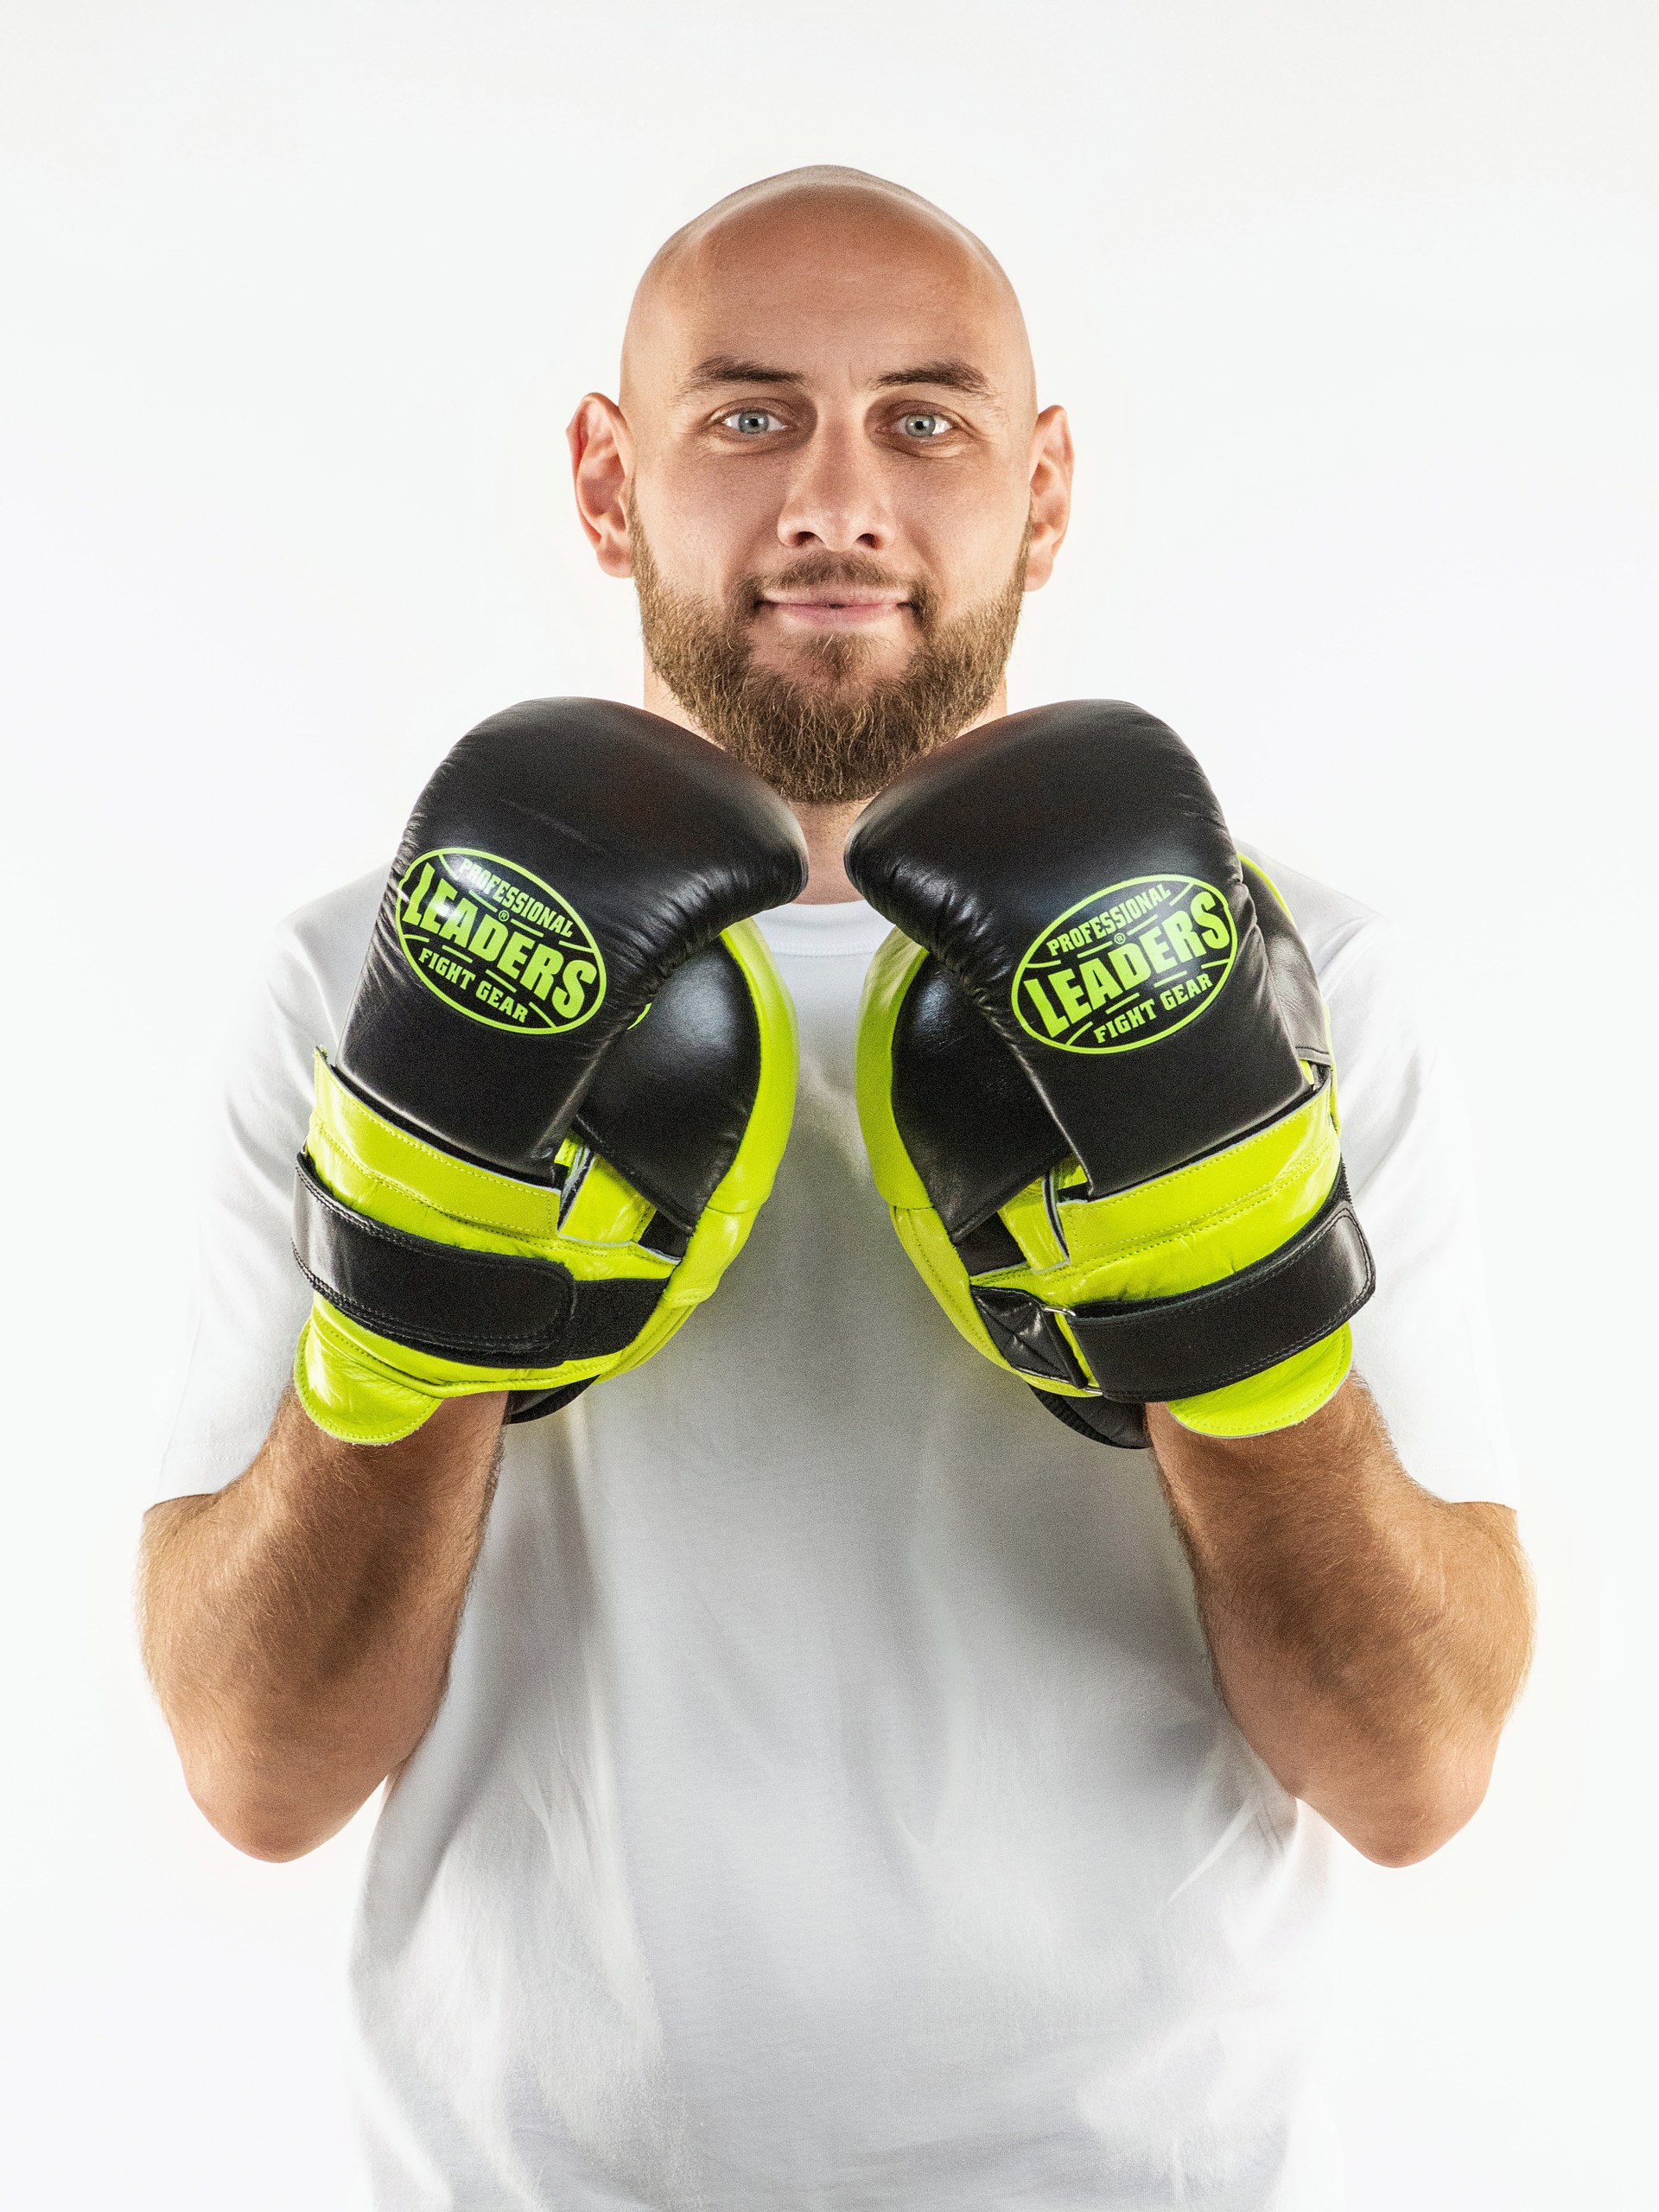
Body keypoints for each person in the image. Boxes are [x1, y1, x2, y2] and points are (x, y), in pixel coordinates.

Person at [139, 168, 1534, 2209]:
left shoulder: (1290, 978)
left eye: (926, 420)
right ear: (609, 479)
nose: (836, 502)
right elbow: (259, 1769)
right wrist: (419, 1294)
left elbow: (1415, 1772)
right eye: (749, 414)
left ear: (1043, 492)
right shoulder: (375, 977)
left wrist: (1223, 1292)